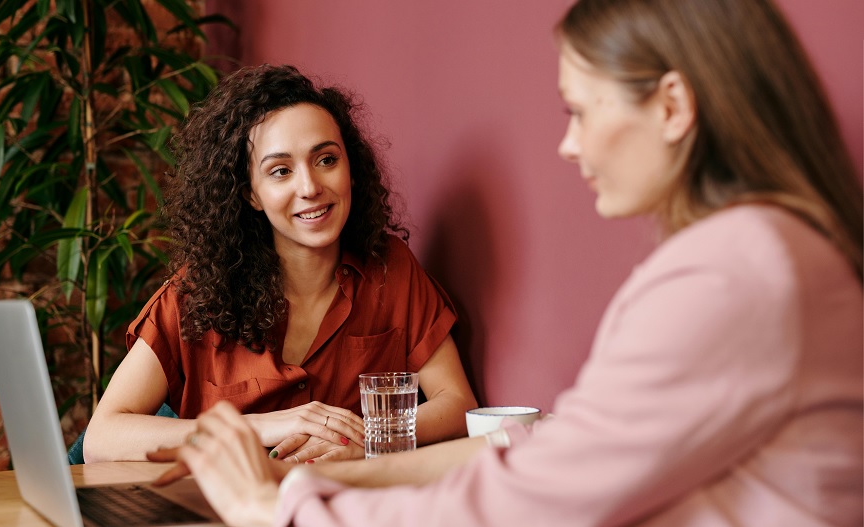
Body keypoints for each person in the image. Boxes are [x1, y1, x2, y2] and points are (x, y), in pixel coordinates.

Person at [148, 0, 864, 525]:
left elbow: (533, 497)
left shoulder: (731, 275)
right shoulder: (770, 253)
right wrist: (329, 482)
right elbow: (538, 458)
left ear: (673, 105)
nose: (570, 146)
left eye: (580, 111)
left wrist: (278, 507)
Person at [83, 65, 477, 463]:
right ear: (250, 194)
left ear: (351, 170)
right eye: (280, 171)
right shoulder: (196, 293)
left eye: (326, 160)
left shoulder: (390, 269)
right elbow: (102, 437)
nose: (309, 188)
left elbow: (458, 402)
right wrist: (263, 426)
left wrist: (364, 440)